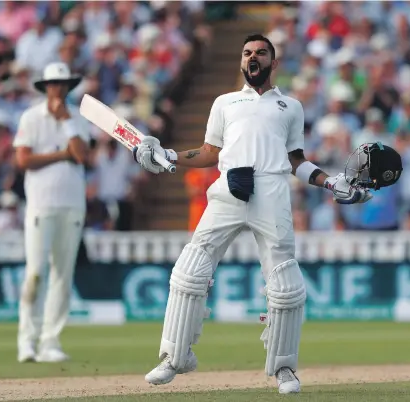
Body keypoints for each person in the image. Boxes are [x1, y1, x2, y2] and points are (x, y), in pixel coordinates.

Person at [132, 34, 376, 394]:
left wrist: (330, 183)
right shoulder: (225, 103)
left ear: (273, 63)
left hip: (272, 190)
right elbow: (207, 152)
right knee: (189, 270)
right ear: (242, 61)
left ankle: (284, 369)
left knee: (285, 285)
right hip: (228, 188)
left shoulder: (290, 106)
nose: (253, 58)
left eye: (261, 53)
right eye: (247, 53)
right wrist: (167, 155)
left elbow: (297, 161)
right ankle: (175, 358)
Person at [13, 62, 90, 363]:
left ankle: (50, 341)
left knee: (62, 275)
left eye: (63, 84)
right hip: (40, 204)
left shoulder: (77, 119)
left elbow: (81, 156)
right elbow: (23, 160)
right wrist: (62, 155)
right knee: (34, 273)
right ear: (46, 87)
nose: (58, 89)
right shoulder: (31, 117)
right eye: (53, 84)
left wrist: (67, 122)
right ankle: (26, 341)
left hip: (72, 205)